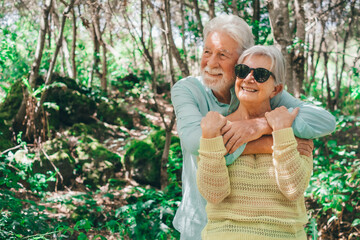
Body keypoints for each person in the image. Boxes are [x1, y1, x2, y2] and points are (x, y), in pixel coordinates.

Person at [171, 14, 336, 240]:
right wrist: (270, 143)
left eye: (222, 55)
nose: (210, 63)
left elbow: (324, 121)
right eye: (207, 51)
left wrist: (257, 125)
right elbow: (193, 142)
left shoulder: (258, 88)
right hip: (199, 222)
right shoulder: (188, 89)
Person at [197, 45, 312, 239]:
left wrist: (281, 132)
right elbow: (213, 194)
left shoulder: (294, 128)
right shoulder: (217, 128)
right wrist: (209, 138)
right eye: (242, 71)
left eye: (260, 74)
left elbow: (294, 188)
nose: (248, 78)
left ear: (276, 89)